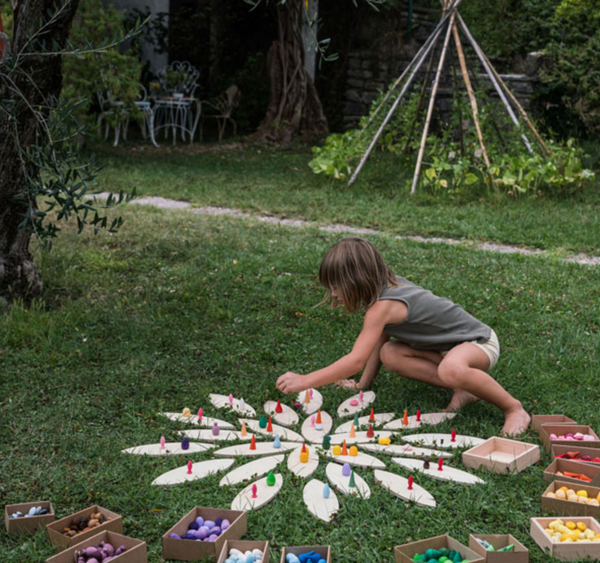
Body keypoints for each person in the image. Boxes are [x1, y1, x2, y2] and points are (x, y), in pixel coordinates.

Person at [276, 237, 530, 436]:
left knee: (451, 368)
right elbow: (380, 343)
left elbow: (355, 360)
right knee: (391, 354)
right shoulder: (383, 290)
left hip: (479, 343)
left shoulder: (381, 307)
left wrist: (306, 380)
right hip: (450, 350)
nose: (332, 294)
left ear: (356, 281)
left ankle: (513, 408)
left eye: (335, 287)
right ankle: (464, 389)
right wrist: (363, 385)